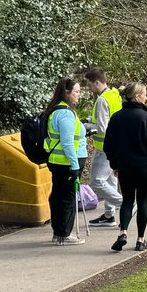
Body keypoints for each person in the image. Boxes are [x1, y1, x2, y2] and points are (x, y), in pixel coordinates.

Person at [103, 82, 147, 252]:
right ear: (138, 97)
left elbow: (109, 145)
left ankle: (123, 232)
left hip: (125, 166)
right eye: (145, 94)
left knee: (127, 200)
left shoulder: (116, 118)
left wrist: (115, 164)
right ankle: (140, 239)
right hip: (144, 166)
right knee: (142, 201)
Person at [43, 77, 88, 245]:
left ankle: (59, 232)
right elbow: (68, 142)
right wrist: (75, 166)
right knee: (67, 197)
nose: (79, 95)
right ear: (66, 92)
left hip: (60, 162)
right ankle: (64, 233)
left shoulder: (58, 110)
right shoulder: (65, 114)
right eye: (76, 91)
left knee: (60, 195)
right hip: (66, 163)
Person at [82, 68, 123, 227]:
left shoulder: (101, 100)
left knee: (97, 181)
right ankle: (109, 215)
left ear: (96, 82)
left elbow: (102, 127)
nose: (89, 88)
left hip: (104, 148)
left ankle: (125, 204)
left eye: (89, 84)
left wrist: (86, 126)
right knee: (111, 180)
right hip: (116, 145)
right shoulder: (114, 96)